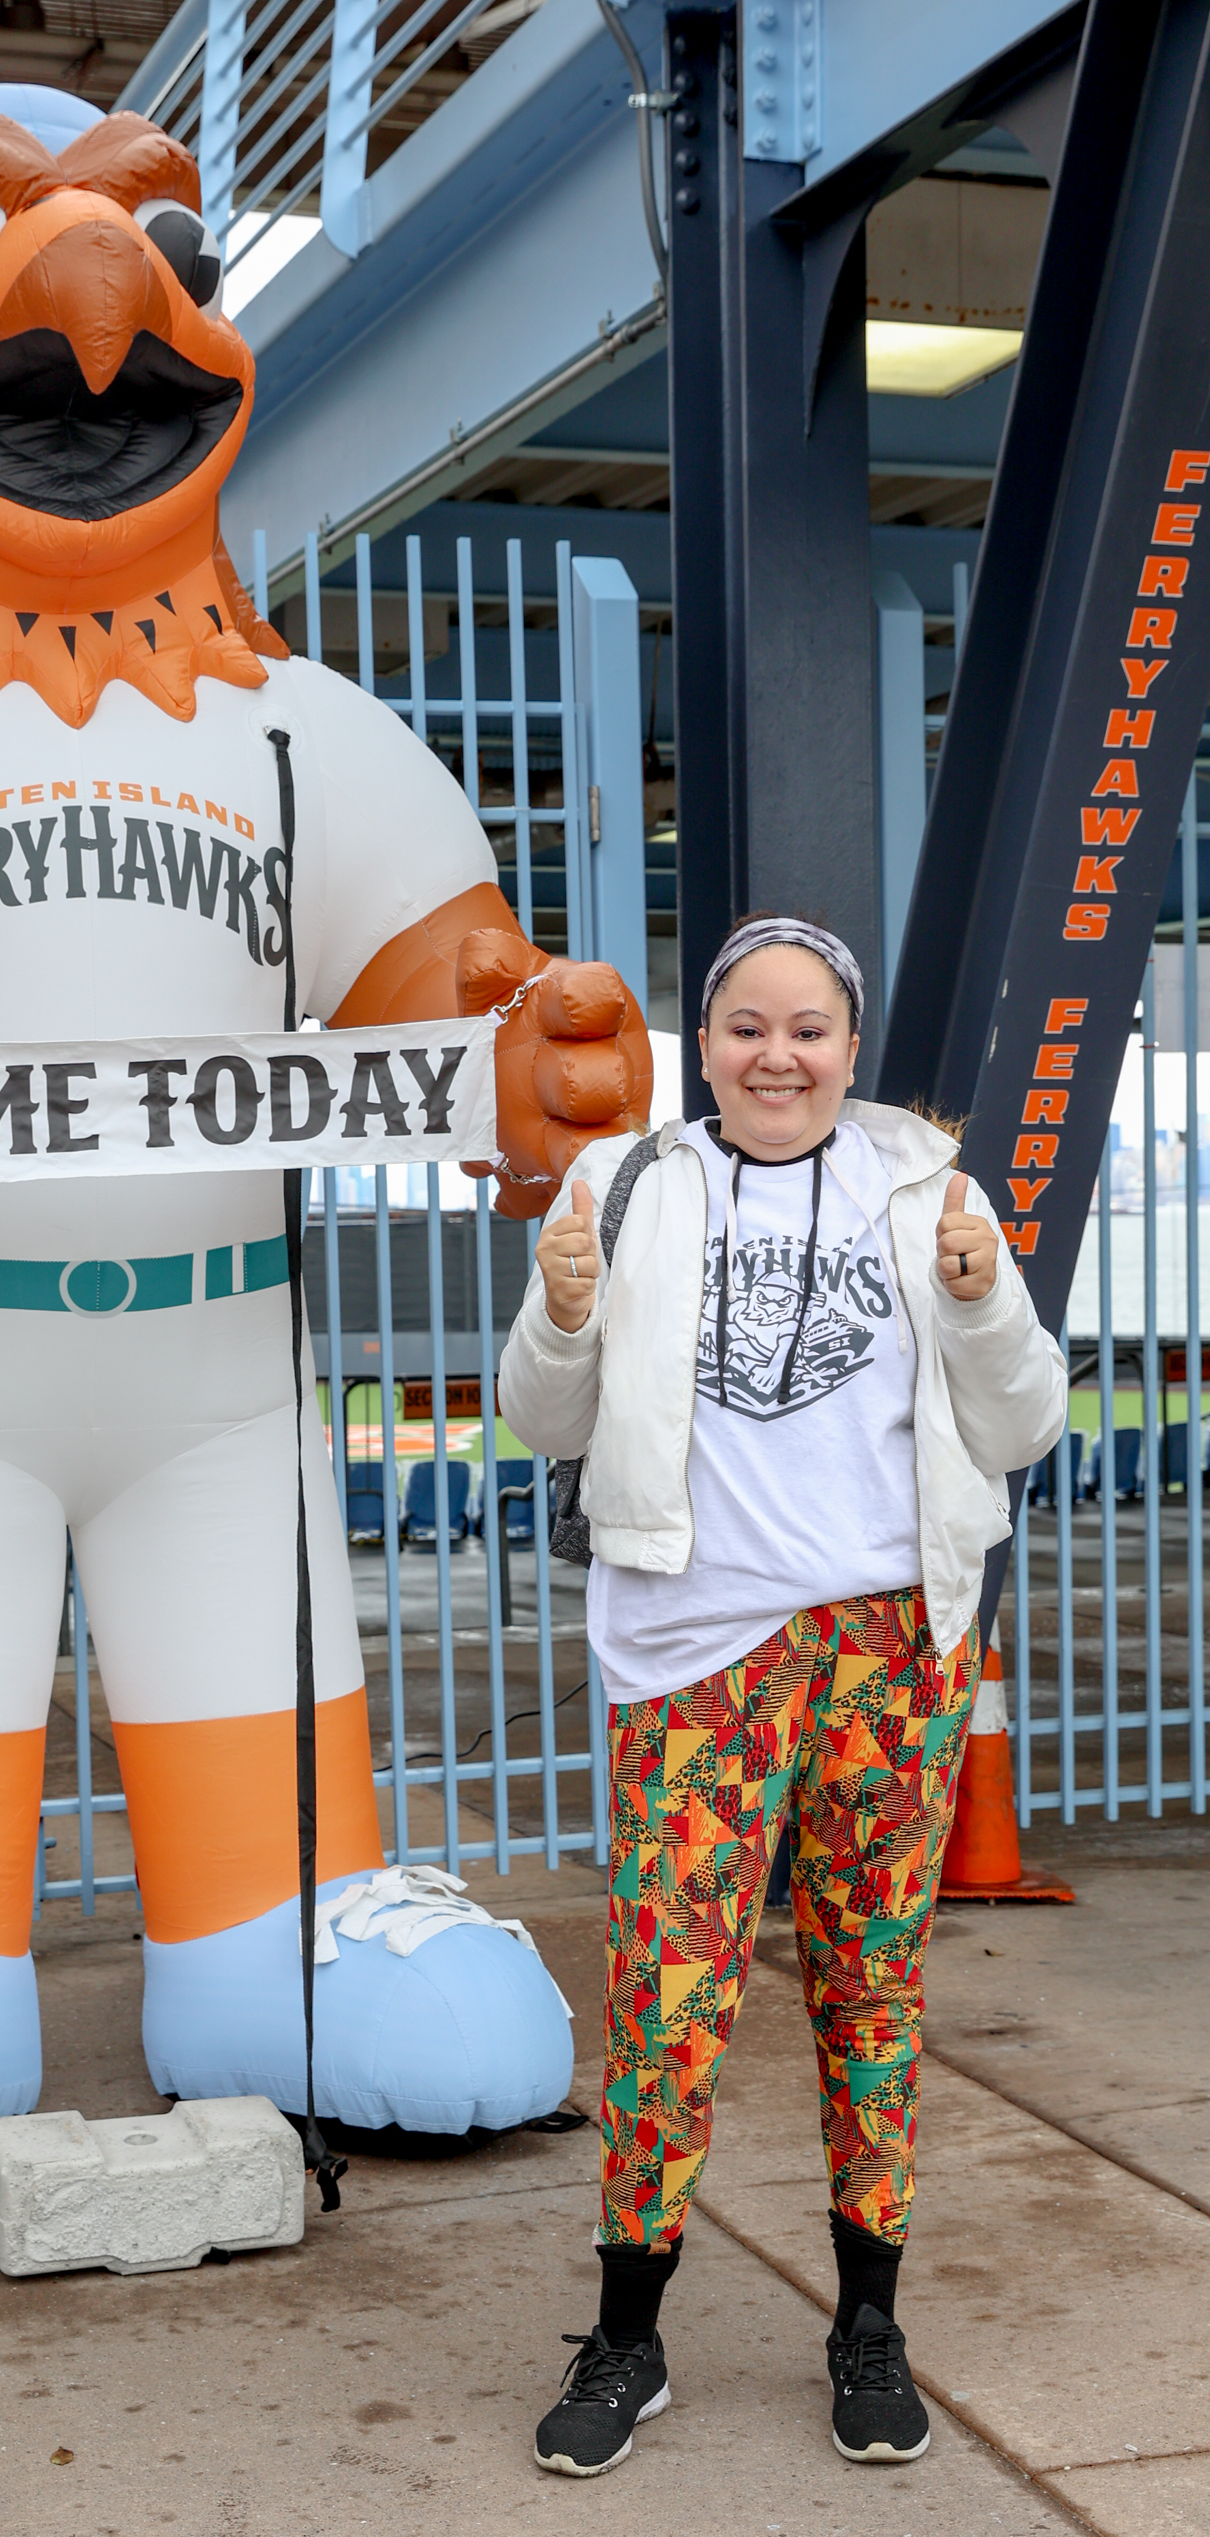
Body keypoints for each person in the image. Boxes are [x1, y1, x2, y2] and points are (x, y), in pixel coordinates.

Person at [497, 913, 1067, 2478]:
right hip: (699, 1652)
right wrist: (558, 1305)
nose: (777, 1055)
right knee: (669, 1992)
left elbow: (1022, 1417)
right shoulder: (627, 1185)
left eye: (806, 1028)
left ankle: (867, 2322)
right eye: (747, 1026)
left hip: (890, 1644)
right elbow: (536, 1412)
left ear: (848, 1041)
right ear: (706, 1043)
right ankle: (629, 2333)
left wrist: (977, 1296)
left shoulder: (928, 1188)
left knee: (870, 1984)